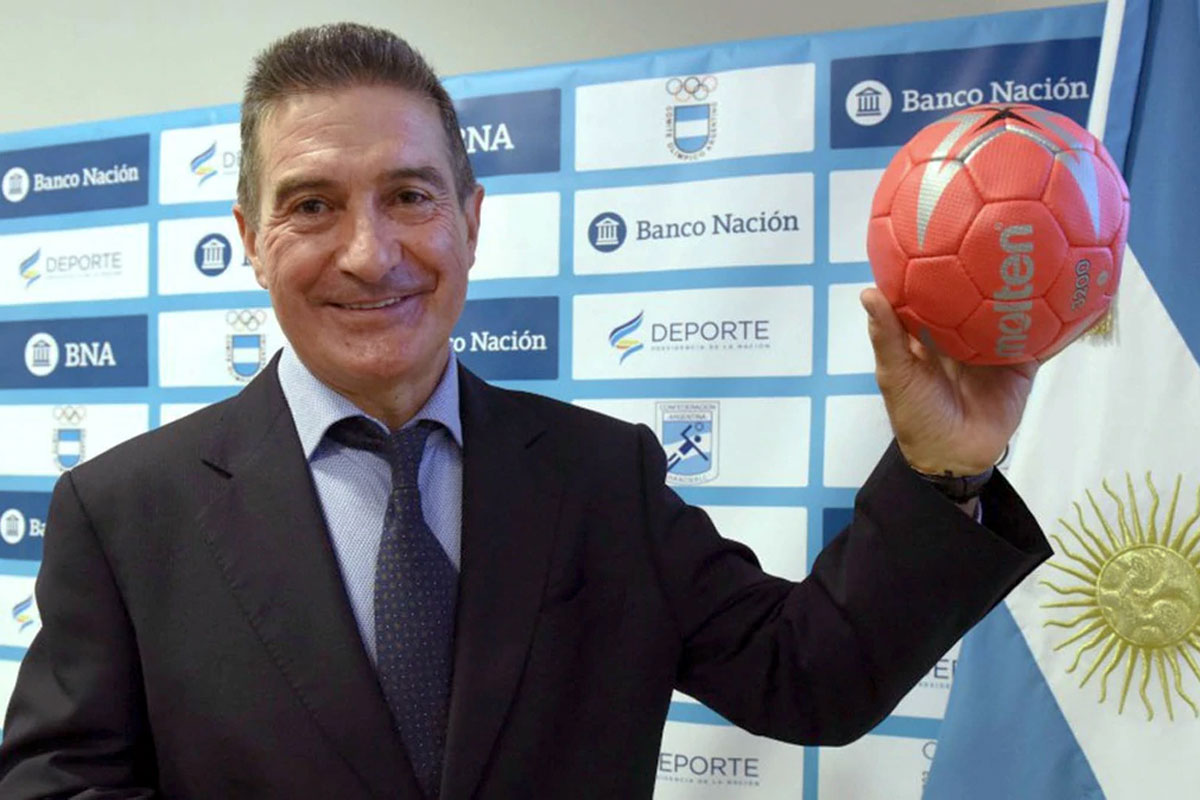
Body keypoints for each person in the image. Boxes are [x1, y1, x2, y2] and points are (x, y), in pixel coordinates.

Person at [0, 22, 1049, 800]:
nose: (369, 253)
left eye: (410, 195)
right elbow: (61, 785)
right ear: (250, 238)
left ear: (471, 219)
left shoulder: (604, 477)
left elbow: (811, 678)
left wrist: (941, 468)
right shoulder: (125, 512)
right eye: (313, 204)